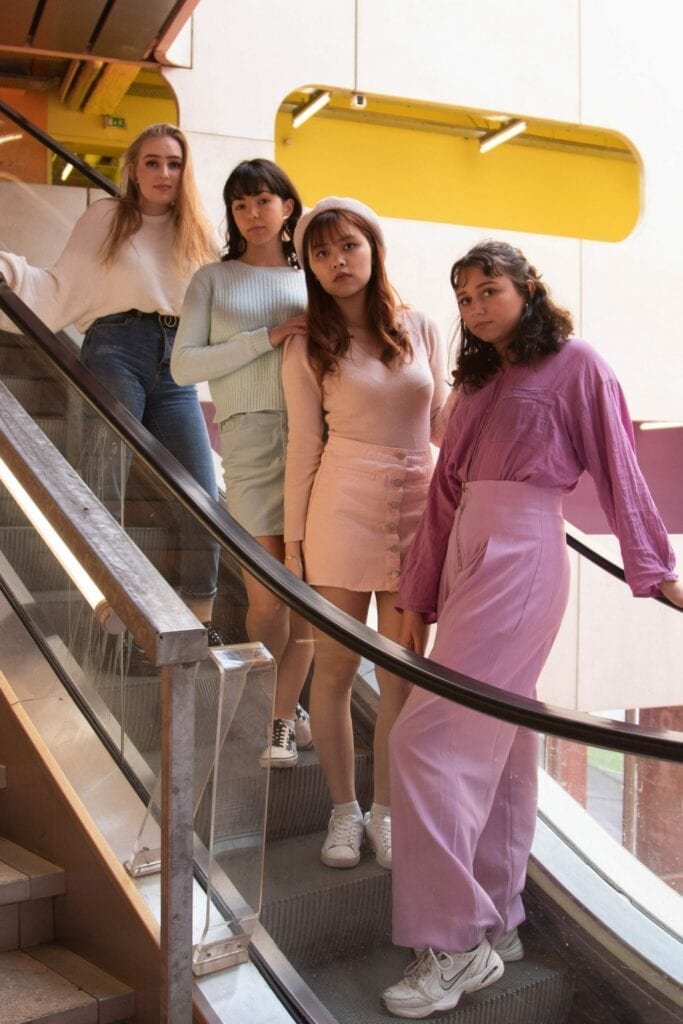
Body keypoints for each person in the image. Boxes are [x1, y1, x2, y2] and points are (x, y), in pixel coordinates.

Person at [381, 239, 683, 1018]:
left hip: (522, 555)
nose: (476, 307)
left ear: (526, 289)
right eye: (464, 298)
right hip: (466, 550)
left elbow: (617, 464)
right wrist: (416, 598)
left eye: (489, 290)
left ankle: (455, 944)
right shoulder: (476, 380)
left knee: (423, 739)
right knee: (504, 736)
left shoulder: (577, 364)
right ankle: (496, 915)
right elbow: (444, 493)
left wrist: (657, 569)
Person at [0, 123, 224, 639]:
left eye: (174, 163)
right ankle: (113, 607)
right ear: (133, 170)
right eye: (152, 162)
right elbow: (60, 284)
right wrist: (10, 271)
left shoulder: (197, 233)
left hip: (176, 365)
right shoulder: (106, 217)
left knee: (202, 497)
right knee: (106, 481)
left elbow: (224, 301)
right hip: (116, 347)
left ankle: (199, 621)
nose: (164, 173)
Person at [283, 197, 448, 869]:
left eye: (348, 246)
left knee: (401, 672)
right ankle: (344, 812)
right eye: (321, 253)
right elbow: (303, 446)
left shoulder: (422, 326)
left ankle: (386, 811)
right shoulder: (305, 344)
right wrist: (294, 546)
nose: (337, 262)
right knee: (334, 669)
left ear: (374, 249)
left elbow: (444, 423)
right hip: (341, 508)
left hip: (418, 507)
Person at [171, 159, 314, 765]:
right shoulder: (213, 278)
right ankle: (277, 702)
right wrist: (266, 337)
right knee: (267, 598)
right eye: (240, 204)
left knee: (307, 596)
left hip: (317, 439)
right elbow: (184, 367)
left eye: (264, 201)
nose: (253, 214)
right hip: (248, 440)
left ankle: (281, 716)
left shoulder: (312, 277)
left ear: (288, 207)